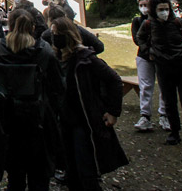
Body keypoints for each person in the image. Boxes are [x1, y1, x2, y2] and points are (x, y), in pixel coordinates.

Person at [0, 9, 63, 191]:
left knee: (15, 174)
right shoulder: (44, 50)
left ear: (9, 25)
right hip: (38, 121)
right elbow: (57, 88)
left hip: (8, 121)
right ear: (33, 27)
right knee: (39, 176)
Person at [51, 16, 128, 190]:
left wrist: (113, 111)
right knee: (70, 168)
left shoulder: (85, 58)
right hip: (63, 119)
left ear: (68, 35)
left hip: (83, 120)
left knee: (86, 167)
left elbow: (114, 80)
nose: (54, 37)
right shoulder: (56, 58)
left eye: (57, 33)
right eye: (53, 33)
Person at [137, 0, 182, 156]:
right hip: (163, 67)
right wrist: (149, 52)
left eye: (167, 9)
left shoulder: (176, 22)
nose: (165, 12)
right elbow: (139, 38)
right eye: (161, 10)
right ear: (154, 11)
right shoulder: (148, 25)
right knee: (169, 101)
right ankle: (174, 132)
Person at [131, 0, 169, 132]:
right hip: (144, 57)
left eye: (146, 5)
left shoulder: (164, 21)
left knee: (164, 86)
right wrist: (149, 51)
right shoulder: (137, 21)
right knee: (146, 86)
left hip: (162, 57)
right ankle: (145, 116)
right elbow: (137, 39)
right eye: (141, 5)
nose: (144, 7)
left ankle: (164, 114)